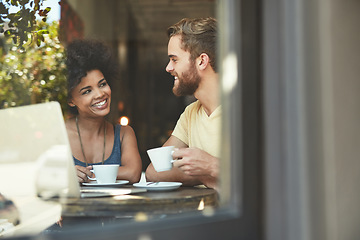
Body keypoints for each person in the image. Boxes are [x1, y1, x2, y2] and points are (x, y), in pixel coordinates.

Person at [145, 17, 220, 189]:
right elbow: (154, 171)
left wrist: (210, 165)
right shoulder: (191, 113)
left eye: (174, 59)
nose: (168, 68)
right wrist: (205, 175)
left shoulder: (243, 109)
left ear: (202, 61)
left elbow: (267, 174)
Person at [65, 39, 142, 184]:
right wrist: (64, 174)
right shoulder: (59, 135)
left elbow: (133, 173)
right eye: (87, 91)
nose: (100, 94)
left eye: (102, 84)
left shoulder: (124, 134)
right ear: (70, 100)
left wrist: (86, 175)